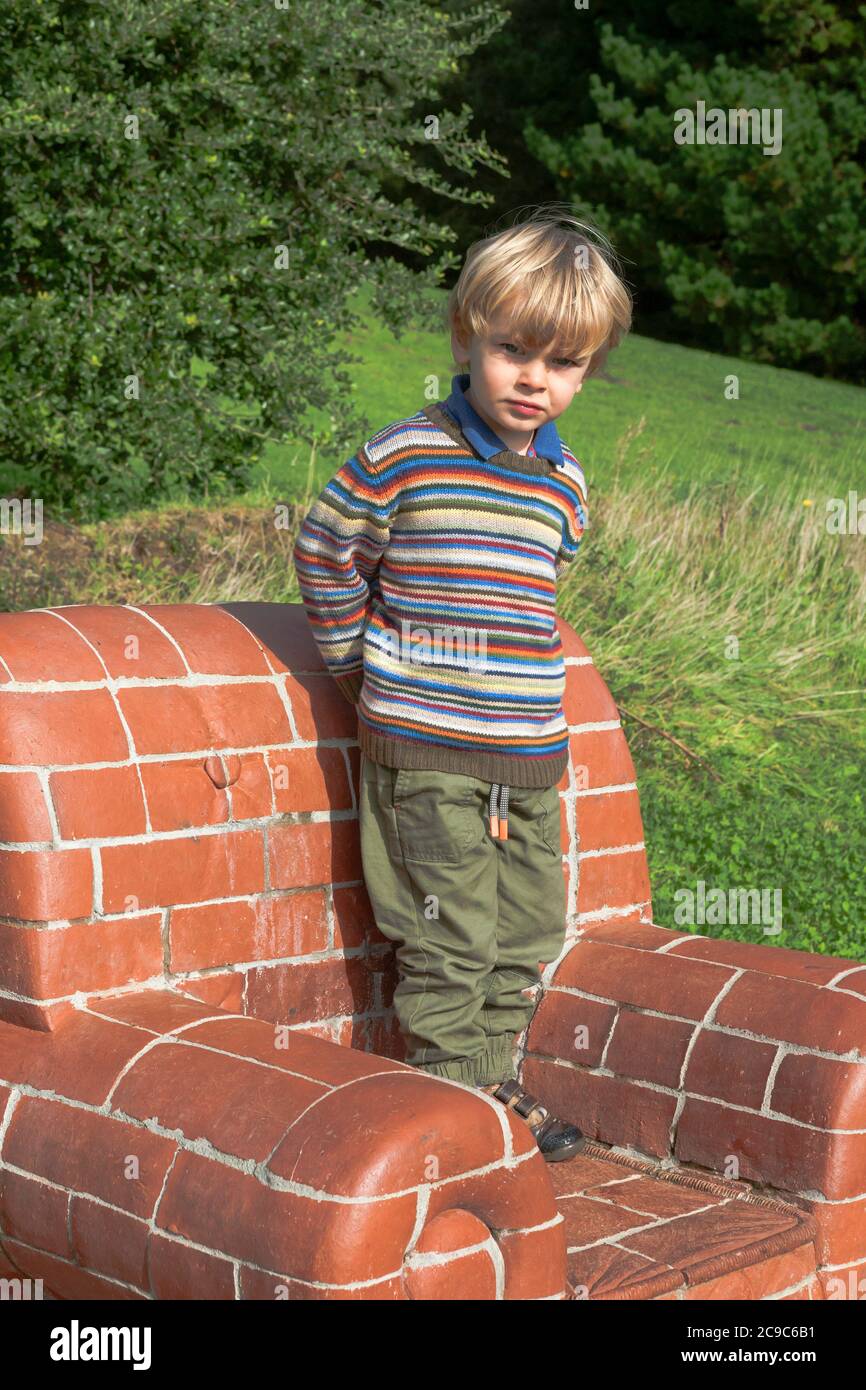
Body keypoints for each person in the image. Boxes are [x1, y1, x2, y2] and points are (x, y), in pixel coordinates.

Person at [292, 206, 633, 1160]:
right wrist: (361, 665)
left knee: (523, 930)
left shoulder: (564, 484)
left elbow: (530, 603)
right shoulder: (409, 453)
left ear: (589, 368)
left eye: (563, 362)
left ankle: (492, 1085)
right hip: (427, 746)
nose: (534, 378)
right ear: (466, 335)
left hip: (527, 754)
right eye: (512, 349)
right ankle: (454, 1122)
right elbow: (326, 548)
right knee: (446, 938)